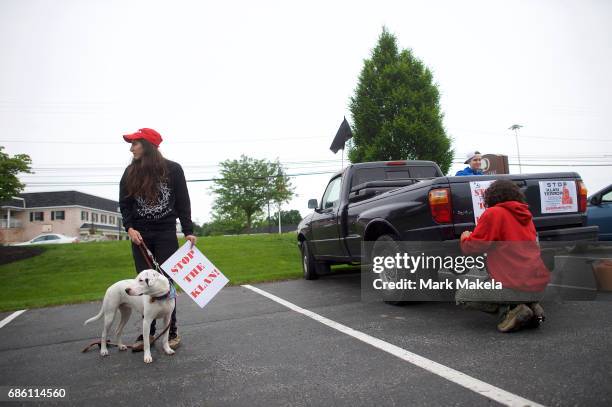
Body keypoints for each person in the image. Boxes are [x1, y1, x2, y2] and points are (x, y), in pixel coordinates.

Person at [119, 128, 197, 351]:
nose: (131, 147)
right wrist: (130, 228)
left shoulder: (173, 169)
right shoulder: (129, 172)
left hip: (165, 233)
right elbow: (125, 204)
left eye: (135, 143)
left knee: (166, 283)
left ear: (148, 145)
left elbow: (183, 201)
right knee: (144, 284)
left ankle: (171, 330)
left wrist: (188, 230)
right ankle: (148, 332)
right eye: (131, 143)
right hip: (140, 235)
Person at [456, 179, 550, 333]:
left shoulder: (494, 213)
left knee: (463, 296)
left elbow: (474, 246)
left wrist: (465, 237)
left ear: (492, 197)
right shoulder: (526, 216)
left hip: (515, 285)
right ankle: (531, 305)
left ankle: (512, 312)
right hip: (538, 286)